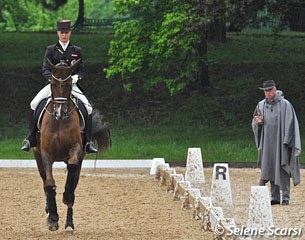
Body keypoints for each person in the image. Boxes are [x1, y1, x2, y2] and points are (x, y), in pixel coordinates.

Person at [21, 19, 97, 153]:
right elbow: (45, 69)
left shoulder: (76, 50)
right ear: (58, 33)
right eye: (62, 32)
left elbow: (82, 69)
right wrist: (52, 79)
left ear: (70, 33)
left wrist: (76, 77)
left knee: (88, 108)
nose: (64, 35)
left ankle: (87, 142)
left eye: (66, 32)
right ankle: (30, 138)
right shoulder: (51, 50)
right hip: (54, 85)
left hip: (71, 85)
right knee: (34, 104)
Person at [252, 80, 301, 206]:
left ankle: (285, 196)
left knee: (282, 167)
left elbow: (291, 123)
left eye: (270, 90)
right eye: (265, 91)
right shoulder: (261, 105)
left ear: (275, 90)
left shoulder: (285, 104)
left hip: (281, 141)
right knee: (270, 167)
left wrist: (287, 140)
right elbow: (255, 122)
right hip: (267, 142)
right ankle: (274, 196)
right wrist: (258, 122)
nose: (267, 93)